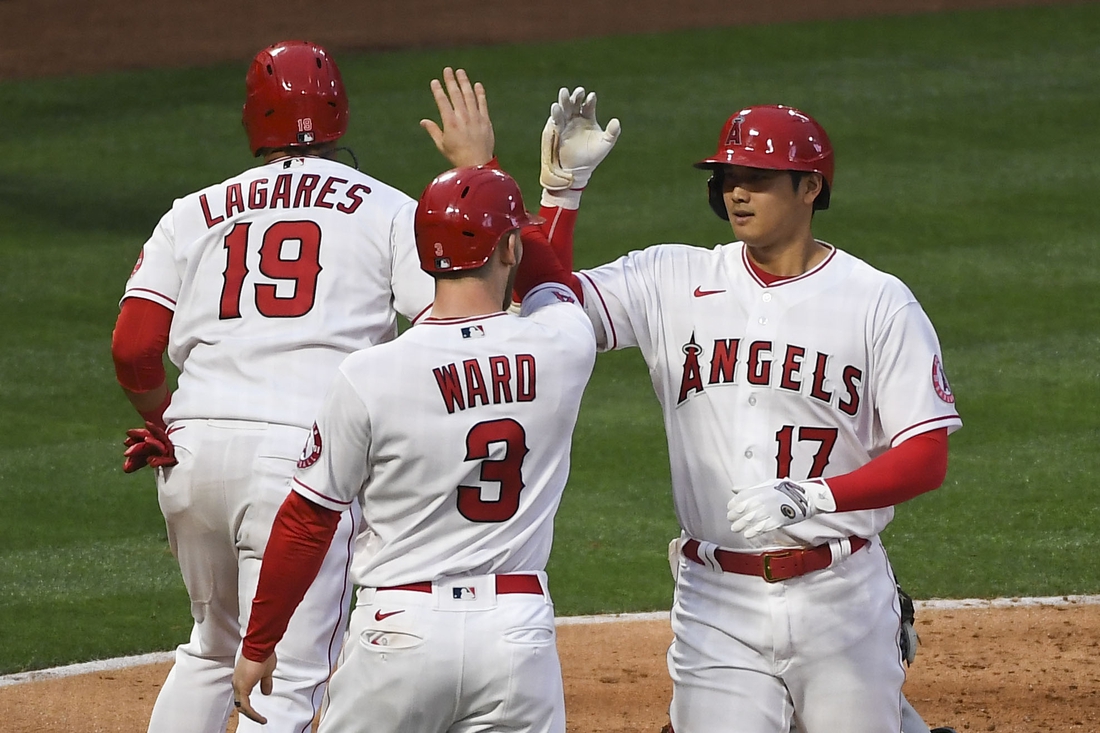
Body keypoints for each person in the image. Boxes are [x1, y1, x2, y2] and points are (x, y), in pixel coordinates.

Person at [532, 93, 962, 732]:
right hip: (716, 601)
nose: (737, 193)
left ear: (810, 186)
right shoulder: (669, 278)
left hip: (841, 594)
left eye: (757, 178)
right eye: (729, 179)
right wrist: (560, 194)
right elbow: (545, 303)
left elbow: (926, 457)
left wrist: (814, 495)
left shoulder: (878, 302)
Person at [110, 39, 495, 733]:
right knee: (283, 683)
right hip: (300, 466)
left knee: (210, 646)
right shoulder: (387, 210)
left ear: (252, 117)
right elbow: (447, 324)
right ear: (340, 111)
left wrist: (164, 416)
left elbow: (133, 347)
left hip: (192, 455)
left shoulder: (193, 211)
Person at [230, 164, 597, 733]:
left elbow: (308, 519)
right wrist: (551, 189)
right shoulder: (563, 344)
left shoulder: (371, 373)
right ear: (507, 248)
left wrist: (259, 643)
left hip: (400, 630)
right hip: (516, 632)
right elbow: (550, 277)